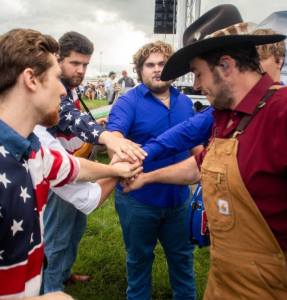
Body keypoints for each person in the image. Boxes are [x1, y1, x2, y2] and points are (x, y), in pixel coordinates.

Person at [122, 5, 287, 300]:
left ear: (225, 65)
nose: (195, 85)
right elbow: (201, 163)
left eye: (198, 73)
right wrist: (148, 178)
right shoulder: (227, 116)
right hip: (224, 282)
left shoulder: (281, 114)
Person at [0, 28, 141, 299]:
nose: (63, 91)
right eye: (57, 78)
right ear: (31, 79)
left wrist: (116, 169)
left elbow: (73, 168)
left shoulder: (33, 147)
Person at [107, 41, 211, 300]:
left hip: (179, 198)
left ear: (172, 68)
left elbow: (194, 142)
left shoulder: (185, 102)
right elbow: (115, 137)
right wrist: (119, 157)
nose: (156, 70)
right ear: (139, 70)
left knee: (183, 258)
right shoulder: (127, 102)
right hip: (138, 199)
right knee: (139, 259)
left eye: (162, 64)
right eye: (149, 65)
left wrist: (207, 173)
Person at [44, 32, 147, 293]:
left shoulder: (71, 85)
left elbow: (77, 118)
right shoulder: (52, 87)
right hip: (60, 174)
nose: (80, 70)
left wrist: (98, 127)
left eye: (85, 64)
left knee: (75, 227)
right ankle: (50, 290)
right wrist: (108, 138)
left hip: (78, 168)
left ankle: (63, 274)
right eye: (74, 63)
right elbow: (69, 117)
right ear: (58, 59)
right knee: (57, 236)